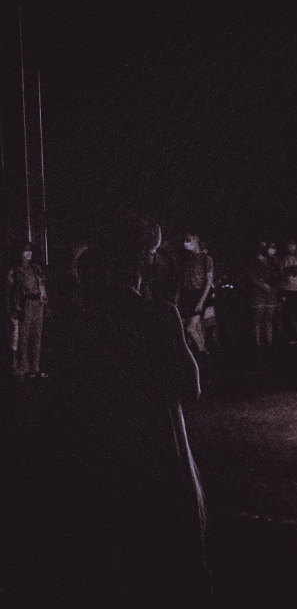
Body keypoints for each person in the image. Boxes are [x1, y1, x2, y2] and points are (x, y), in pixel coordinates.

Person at [40, 213, 214, 608]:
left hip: (96, 447)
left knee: (111, 553)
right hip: (153, 444)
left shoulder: (79, 319)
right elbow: (191, 387)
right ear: (142, 261)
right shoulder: (158, 315)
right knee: (164, 550)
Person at [7, 241, 47, 378]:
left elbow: (42, 286)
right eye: (25, 250)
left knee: (37, 336)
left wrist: (45, 302)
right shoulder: (15, 270)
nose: (29, 253)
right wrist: (15, 309)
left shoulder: (35, 267)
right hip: (25, 304)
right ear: (20, 253)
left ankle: (35, 368)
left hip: (38, 304)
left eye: (30, 250)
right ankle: (23, 368)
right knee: (24, 337)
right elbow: (10, 292)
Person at [178, 230, 214, 355]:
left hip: (198, 295)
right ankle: (201, 352)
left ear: (196, 239)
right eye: (185, 240)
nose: (185, 243)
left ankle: (203, 352)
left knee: (190, 328)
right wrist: (178, 298)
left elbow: (209, 281)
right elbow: (182, 281)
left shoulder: (206, 258)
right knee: (190, 329)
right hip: (186, 296)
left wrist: (201, 301)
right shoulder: (187, 259)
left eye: (188, 240)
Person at [249, 240, 281, 349]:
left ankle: (269, 342)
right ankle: (257, 343)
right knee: (258, 319)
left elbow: (278, 275)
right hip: (258, 293)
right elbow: (252, 276)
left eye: (273, 247)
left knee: (269, 319)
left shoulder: (274, 260)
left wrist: (274, 287)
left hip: (271, 292)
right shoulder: (255, 260)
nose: (271, 249)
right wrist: (262, 285)